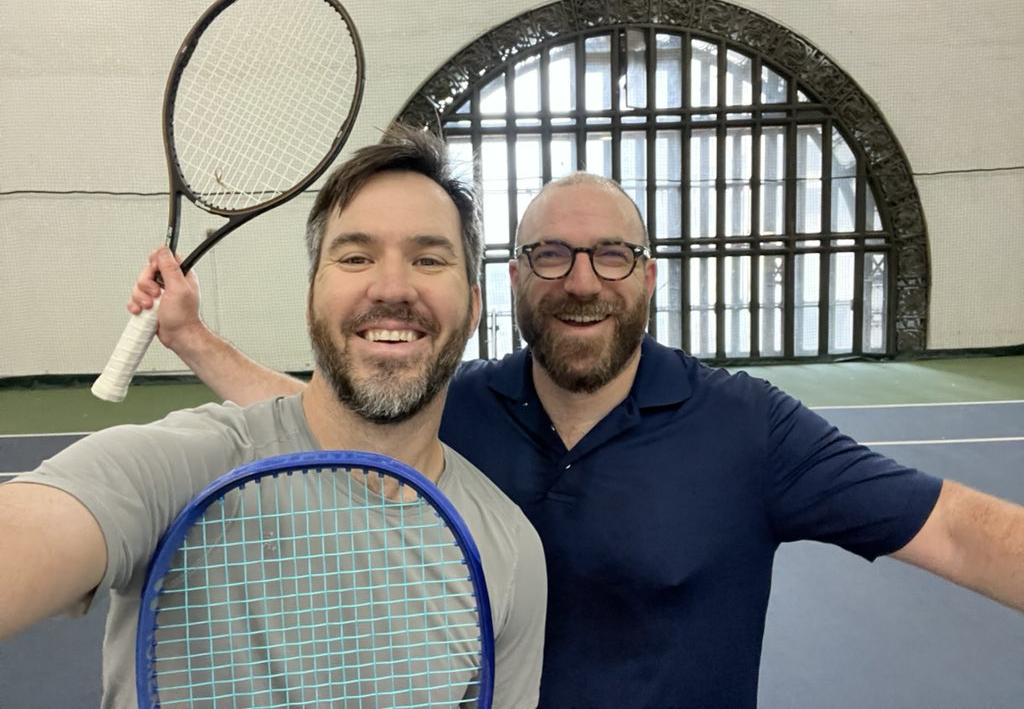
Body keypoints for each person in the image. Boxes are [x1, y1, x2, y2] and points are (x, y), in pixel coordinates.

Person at [129, 169, 1023, 709]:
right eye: (551, 256)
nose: (581, 281)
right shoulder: (460, 410)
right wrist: (195, 341)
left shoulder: (748, 426)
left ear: (649, 275)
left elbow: (952, 528)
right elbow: (317, 423)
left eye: (612, 256)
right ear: (513, 279)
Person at [0, 127, 547, 709]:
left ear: (474, 307)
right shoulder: (187, 466)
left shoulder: (509, 552)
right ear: (313, 293)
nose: (392, 286)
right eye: (356, 256)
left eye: (429, 258)